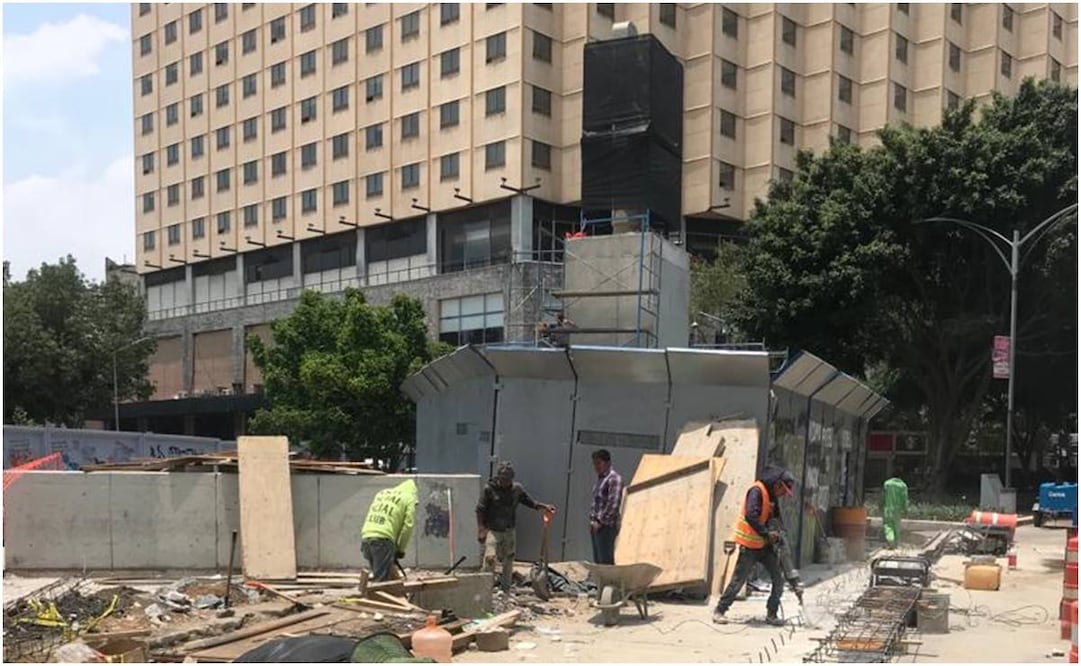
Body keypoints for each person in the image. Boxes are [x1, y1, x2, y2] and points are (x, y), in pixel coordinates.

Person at [712, 466, 797, 626]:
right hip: (750, 545)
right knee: (738, 581)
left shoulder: (772, 496)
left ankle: (772, 613)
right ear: (777, 484)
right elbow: (751, 516)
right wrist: (767, 533)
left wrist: (780, 533)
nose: (784, 495)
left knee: (778, 579)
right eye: (783, 491)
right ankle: (720, 610)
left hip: (764, 546)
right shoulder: (756, 491)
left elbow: (776, 518)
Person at [476, 462, 556, 590]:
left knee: (508, 560)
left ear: (512, 479)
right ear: (498, 477)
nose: (505, 482)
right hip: (493, 530)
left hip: (509, 530)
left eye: (508, 480)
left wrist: (544, 506)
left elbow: (529, 502)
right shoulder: (489, 489)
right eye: (502, 479)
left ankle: (505, 589)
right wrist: (481, 529)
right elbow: (480, 509)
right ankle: (483, 588)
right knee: (490, 558)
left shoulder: (516, 489)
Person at [360, 479, 417, 582]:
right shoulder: (409, 498)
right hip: (383, 540)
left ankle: (396, 595)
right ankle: (378, 596)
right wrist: (400, 549)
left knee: (382, 575)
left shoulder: (382, 493)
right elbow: (408, 526)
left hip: (366, 537)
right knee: (381, 583)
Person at [589, 449, 623, 565]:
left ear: (607, 462)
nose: (596, 467)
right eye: (594, 464)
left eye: (599, 463)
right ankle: (601, 582)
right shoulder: (601, 479)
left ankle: (608, 582)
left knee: (606, 561)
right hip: (596, 526)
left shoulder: (613, 479)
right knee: (598, 560)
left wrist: (600, 522)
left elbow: (613, 504)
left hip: (606, 527)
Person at [882, 476, 909, 549]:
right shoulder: (903, 486)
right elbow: (905, 498)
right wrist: (905, 509)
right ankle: (896, 544)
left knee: (888, 525)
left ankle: (890, 540)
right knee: (896, 526)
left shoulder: (887, 484)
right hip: (898, 510)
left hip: (888, 508)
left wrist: (881, 505)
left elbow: (883, 496)